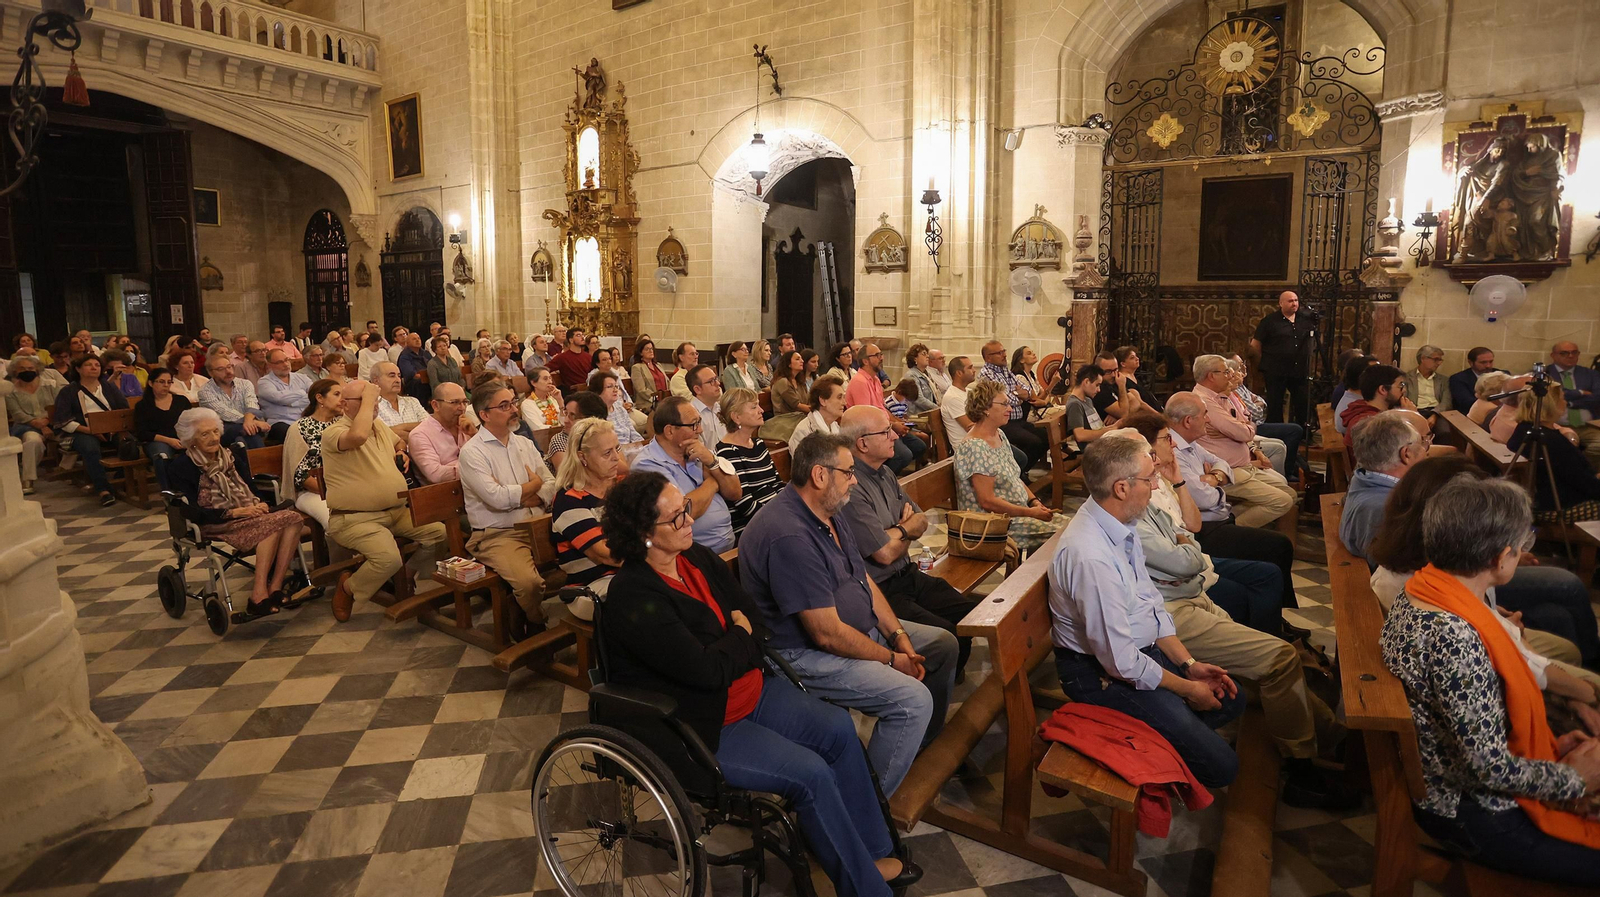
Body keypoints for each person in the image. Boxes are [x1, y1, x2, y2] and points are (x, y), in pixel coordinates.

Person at [600, 470, 918, 896]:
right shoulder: (634, 594)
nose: (689, 521)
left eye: (686, 510)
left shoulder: (695, 559)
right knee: (810, 772)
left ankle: (871, 851)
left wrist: (736, 639)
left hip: (752, 690)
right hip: (705, 724)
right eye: (675, 518)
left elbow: (755, 622)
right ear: (642, 533)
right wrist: (738, 634)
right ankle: (862, 885)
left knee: (841, 731)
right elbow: (706, 672)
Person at [1107, 429, 1351, 806]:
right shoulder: (1125, 520)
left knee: (1272, 656)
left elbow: (1189, 538)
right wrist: (1188, 553)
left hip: (1187, 594)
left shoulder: (1145, 502)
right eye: (1149, 472)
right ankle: (1302, 767)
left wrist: (1188, 552)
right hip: (1170, 613)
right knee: (1280, 658)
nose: (1158, 473)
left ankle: (1336, 738)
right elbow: (1185, 554)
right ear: (1121, 484)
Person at [1379, 477, 1600, 887]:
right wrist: (1576, 779)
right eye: (1523, 543)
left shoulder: (1423, 590)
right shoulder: (1455, 636)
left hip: (1455, 791)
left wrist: (1554, 749)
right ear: (1501, 558)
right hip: (1477, 817)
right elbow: (1486, 769)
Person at [741, 433, 957, 795]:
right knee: (913, 702)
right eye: (849, 472)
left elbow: (865, 581)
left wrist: (898, 636)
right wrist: (892, 659)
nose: (855, 480)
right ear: (820, 476)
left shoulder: (829, 511)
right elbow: (826, 634)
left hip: (855, 631)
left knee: (942, 645)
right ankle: (865, 805)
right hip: (804, 654)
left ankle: (911, 749)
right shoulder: (789, 534)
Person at [1049, 436, 1246, 788]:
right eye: (1150, 478)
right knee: (1222, 767)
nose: (1157, 485)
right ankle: (1161, 745)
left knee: (1229, 699)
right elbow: (1120, 662)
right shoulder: (1090, 555)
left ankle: (1170, 737)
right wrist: (1186, 689)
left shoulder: (1119, 523)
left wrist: (1189, 665)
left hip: (1136, 655)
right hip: (1094, 673)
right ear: (1122, 488)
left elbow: (1150, 604)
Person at [1364, 453, 1600, 674]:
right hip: (1487, 650)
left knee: (1558, 619)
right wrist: (1507, 632)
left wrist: (1496, 615)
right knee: (1567, 588)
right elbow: (1465, 651)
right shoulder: (1414, 585)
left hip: (1489, 628)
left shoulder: (1445, 558)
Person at [841, 405, 979, 669]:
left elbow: (922, 520)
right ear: (863, 443)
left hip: (909, 574)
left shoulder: (885, 472)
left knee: (970, 613)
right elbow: (883, 554)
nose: (895, 435)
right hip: (882, 591)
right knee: (947, 634)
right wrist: (905, 528)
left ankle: (950, 678)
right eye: (886, 431)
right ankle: (932, 687)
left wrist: (896, 533)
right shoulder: (852, 486)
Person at [321, 378, 448, 622]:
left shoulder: (377, 425)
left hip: (397, 511)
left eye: (375, 400)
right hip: (356, 518)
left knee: (438, 533)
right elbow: (357, 436)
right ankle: (348, 587)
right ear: (345, 405)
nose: (374, 404)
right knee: (388, 559)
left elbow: (398, 439)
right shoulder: (334, 432)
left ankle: (407, 575)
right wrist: (370, 397)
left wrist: (400, 449)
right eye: (366, 400)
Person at [1162, 393, 1300, 614]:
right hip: (1205, 530)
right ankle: (1269, 618)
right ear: (1188, 421)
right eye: (1204, 415)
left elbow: (1222, 463)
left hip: (1220, 519)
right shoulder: (1176, 452)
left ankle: (1276, 614)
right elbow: (1203, 499)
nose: (1208, 419)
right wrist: (1220, 486)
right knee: (1278, 546)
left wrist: (1214, 479)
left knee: (1278, 545)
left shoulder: (1191, 444)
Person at [167, 408, 305, 615]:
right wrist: (235, 512)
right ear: (191, 439)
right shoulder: (182, 466)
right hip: (214, 521)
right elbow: (191, 510)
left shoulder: (230, 457)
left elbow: (251, 487)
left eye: (215, 431)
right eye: (205, 434)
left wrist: (260, 503)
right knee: (273, 526)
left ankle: (275, 587)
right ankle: (258, 595)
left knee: (294, 518)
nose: (214, 438)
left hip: (249, 514)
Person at [458, 381, 558, 632]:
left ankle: (521, 605)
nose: (514, 409)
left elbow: (551, 483)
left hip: (537, 523)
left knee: (581, 560)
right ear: (484, 415)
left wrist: (534, 494)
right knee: (529, 583)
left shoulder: (522, 443)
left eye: (513, 402)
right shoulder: (473, 453)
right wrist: (532, 485)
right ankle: (535, 623)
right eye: (504, 405)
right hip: (498, 533)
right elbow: (497, 500)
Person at [955, 380, 1064, 554]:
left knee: (1070, 526)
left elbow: (1015, 477)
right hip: (992, 524)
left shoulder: (999, 434)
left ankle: (1035, 577)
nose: (1010, 408)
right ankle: (1033, 579)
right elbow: (987, 501)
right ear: (985, 408)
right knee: (1065, 532)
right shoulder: (975, 447)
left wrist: (1034, 502)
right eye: (1004, 404)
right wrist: (1029, 513)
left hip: (1015, 515)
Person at [1191, 357, 1297, 526]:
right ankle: (1227, 534)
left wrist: (1246, 432)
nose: (1230, 376)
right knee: (1282, 500)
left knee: (1290, 495)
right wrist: (1244, 428)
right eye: (1226, 372)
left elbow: (1247, 423)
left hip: (1243, 465)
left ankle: (1224, 524)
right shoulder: (1204, 401)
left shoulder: (1221, 397)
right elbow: (1243, 431)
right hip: (1227, 470)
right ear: (1211, 376)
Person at [633, 396, 740, 553]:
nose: (700, 430)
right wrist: (713, 482)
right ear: (670, 431)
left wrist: (711, 461)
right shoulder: (647, 466)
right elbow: (682, 514)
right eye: (694, 425)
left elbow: (735, 493)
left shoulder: (699, 451)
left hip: (729, 545)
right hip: (690, 555)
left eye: (699, 422)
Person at [1340, 411, 1428, 560]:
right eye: (1423, 445)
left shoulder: (1363, 477)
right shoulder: (1390, 507)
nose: (1426, 452)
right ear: (1406, 454)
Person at [549, 417, 622, 592]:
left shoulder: (622, 487)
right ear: (582, 457)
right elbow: (605, 554)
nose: (616, 458)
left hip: (631, 573)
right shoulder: (569, 499)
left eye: (617, 449)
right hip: (592, 586)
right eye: (607, 453)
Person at [1507, 388, 1600, 524]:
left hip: (1538, 498)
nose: (1565, 402)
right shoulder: (1551, 442)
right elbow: (1586, 485)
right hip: (1559, 506)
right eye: (1562, 398)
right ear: (1551, 406)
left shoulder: (1524, 429)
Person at [54, 355, 125, 506]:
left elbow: (122, 409)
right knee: (90, 448)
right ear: (78, 369)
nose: (94, 367)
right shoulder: (68, 391)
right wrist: (90, 430)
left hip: (111, 429)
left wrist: (114, 426)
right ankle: (103, 490)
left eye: (97, 365)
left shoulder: (109, 386)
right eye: (88, 365)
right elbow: (63, 420)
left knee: (129, 443)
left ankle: (121, 479)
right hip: (83, 430)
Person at [846, 344, 925, 474]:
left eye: (881, 354)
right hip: (869, 433)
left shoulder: (876, 380)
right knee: (903, 455)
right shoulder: (860, 382)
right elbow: (866, 417)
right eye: (877, 355)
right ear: (865, 361)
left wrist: (897, 421)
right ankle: (877, 479)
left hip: (884, 427)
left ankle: (886, 473)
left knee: (919, 446)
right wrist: (893, 426)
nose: (881, 358)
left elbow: (881, 407)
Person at [715, 389, 784, 536]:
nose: (761, 410)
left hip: (776, 516)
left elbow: (777, 484)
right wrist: (780, 517)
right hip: (752, 527)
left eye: (759, 405)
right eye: (754, 407)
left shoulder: (758, 443)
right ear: (736, 417)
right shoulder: (727, 452)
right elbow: (744, 504)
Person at [975, 340, 1048, 470]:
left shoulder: (1005, 371)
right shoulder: (987, 374)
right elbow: (1006, 399)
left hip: (1018, 420)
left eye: (1004, 351)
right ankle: (1015, 472)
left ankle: (1020, 472)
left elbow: (1027, 392)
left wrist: (1019, 395)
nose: (1004, 355)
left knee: (1046, 436)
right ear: (988, 357)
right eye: (999, 353)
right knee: (1034, 442)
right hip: (1004, 423)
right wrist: (1019, 396)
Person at [1249, 290, 1315, 424]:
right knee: (1275, 402)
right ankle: (1276, 431)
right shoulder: (1269, 321)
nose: (1294, 304)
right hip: (1275, 369)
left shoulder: (1304, 320)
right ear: (1281, 303)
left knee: (1302, 401)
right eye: (1290, 301)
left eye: (1296, 300)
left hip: (1298, 369)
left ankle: (1303, 432)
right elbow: (1255, 345)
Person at [284, 378, 341, 528]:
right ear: (319, 398)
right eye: (337, 394)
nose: (342, 399)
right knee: (335, 522)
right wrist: (332, 492)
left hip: (345, 486)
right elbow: (299, 475)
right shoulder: (300, 428)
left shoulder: (342, 424)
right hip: (313, 491)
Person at [135, 367, 191, 492]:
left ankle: (191, 490)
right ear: (150, 383)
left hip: (182, 438)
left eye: (169, 382)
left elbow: (191, 423)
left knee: (194, 451)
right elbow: (142, 433)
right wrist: (169, 440)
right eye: (161, 382)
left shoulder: (181, 401)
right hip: (157, 440)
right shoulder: (143, 405)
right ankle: (168, 492)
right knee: (162, 455)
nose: (166, 385)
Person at [1545, 341, 1600, 466]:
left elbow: (1597, 397)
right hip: (1556, 426)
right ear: (1553, 355)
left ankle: (1585, 472)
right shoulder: (1545, 373)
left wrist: (1570, 403)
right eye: (1564, 353)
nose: (1570, 356)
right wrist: (1580, 392)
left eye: (1574, 352)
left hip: (1587, 427)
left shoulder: (1591, 374)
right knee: (1561, 449)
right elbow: (1553, 393)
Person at [409, 382, 476, 484]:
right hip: (445, 495)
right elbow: (436, 475)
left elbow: (491, 458)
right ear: (435, 405)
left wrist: (474, 435)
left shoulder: (467, 427)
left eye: (464, 402)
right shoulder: (420, 435)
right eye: (455, 402)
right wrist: (477, 466)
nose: (462, 408)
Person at [197, 354, 268, 449]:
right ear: (210, 373)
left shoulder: (245, 384)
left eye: (229, 367)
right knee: (246, 431)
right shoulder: (205, 391)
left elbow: (252, 404)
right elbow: (225, 413)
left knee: (242, 438)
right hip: (221, 430)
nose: (228, 372)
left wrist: (249, 421)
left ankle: (250, 462)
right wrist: (255, 423)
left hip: (246, 428)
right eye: (221, 369)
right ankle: (261, 462)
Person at [4, 356, 52, 494]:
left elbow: (58, 406)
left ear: (37, 369)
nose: (27, 371)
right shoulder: (11, 391)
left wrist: (47, 421)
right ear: (15, 371)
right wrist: (41, 426)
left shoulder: (49, 384)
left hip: (53, 422)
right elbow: (18, 414)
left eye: (30, 368)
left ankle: (65, 466)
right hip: (27, 426)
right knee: (32, 441)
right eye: (22, 368)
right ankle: (28, 479)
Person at [1341, 363, 1406, 449]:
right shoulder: (1371, 422)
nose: (1404, 390)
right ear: (1383, 389)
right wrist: (1410, 416)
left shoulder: (1365, 410)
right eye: (1400, 385)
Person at [255, 349, 312, 445]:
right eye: (279, 362)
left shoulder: (302, 377)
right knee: (292, 432)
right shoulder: (264, 382)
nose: (285, 364)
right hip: (280, 423)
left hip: (304, 420)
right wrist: (302, 393)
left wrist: (290, 402)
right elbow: (279, 398)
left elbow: (315, 395)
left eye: (286, 360)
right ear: (269, 365)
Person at [545, 391, 609, 471]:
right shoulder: (560, 440)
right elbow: (569, 476)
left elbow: (623, 468)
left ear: (591, 419)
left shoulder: (604, 436)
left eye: (573, 416)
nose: (566, 420)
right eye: (566, 413)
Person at [369, 362, 428, 440]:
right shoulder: (371, 406)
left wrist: (403, 426)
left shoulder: (412, 401)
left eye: (399, 376)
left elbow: (430, 426)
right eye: (392, 376)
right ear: (376, 381)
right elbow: (379, 436)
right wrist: (416, 433)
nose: (398, 380)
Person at [1062, 363, 1110, 456]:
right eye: (1097, 385)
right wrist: (1108, 431)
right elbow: (1080, 435)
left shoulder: (1087, 400)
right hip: (1094, 452)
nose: (1099, 390)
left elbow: (1097, 427)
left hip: (1102, 444)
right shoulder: (1075, 404)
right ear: (1086, 382)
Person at [588, 369, 644, 447]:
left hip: (630, 450)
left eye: (616, 386)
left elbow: (633, 433)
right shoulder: (593, 413)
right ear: (598, 391)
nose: (615, 390)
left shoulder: (619, 408)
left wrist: (642, 447)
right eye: (610, 386)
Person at [1448, 346, 1508, 414]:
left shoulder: (1502, 375)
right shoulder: (1458, 379)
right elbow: (1467, 402)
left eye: (1491, 361)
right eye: (1483, 362)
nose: (1488, 366)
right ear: (1471, 363)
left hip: (1502, 412)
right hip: (1471, 415)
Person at [789, 377, 845, 449]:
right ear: (823, 401)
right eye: (839, 397)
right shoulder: (803, 432)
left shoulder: (835, 426)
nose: (844, 402)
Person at [1404, 344, 1451, 419]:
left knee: (1445, 430)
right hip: (1415, 412)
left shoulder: (1443, 380)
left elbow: (1446, 402)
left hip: (1437, 412)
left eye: (1440, 360)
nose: (1439, 363)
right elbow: (1404, 399)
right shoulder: (1407, 378)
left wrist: (1435, 415)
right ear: (1423, 359)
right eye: (1436, 359)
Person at [686, 364, 727, 450]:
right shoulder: (690, 416)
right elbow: (698, 452)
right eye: (711, 381)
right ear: (697, 389)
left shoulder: (722, 408)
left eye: (716, 379)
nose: (718, 384)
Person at [938, 355, 975, 445]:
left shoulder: (969, 392)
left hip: (979, 442)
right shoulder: (952, 397)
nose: (974, 370)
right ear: (959, 373)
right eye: (970, 368)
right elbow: (970, 427)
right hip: (967, 447)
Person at [520, 368, 564, 440]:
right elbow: (538, 428)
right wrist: (559, 429)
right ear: (533, 383)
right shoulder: (527, 404)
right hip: (543, 440)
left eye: (550, 378)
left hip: (561, 437)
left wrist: (560, 401)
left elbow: (565, 422)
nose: (550, 382)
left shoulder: (553, 398)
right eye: (545, 379)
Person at [1010, 346, 1050, 421]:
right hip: (1029, 412)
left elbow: (1045, 394)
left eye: (1032, 352)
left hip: (1039, 409)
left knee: (1064, 411)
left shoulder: (1031, 374)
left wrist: (1044, 402)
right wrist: (1053, 383)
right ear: (1021, 360)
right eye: (1029, 353)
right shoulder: (1019, 376)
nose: (1034, 354)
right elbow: (1035, 400)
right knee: (1064, 411)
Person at [548, 328, 593, 393]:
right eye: (578, 335)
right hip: (572, 393)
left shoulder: (588, 357)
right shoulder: (562, 357)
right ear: (571, 340)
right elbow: (545, 369)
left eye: (582, 335)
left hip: (588, 391)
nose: (582, 337)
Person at [629, 338, 668, 412]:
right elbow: (641, 389)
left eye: (651, 349)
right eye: (647, 349)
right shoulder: (637, 367)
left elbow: (667, 382)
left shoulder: (658, 365)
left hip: (664, 400)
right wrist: (656, 397)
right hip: (648, 402)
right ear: (641, 353)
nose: (650, 351)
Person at [770, 350, 810, 415]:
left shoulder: (800, 381)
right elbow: (796, 405)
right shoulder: (782, 382)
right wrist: (817, 410)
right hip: (786, 419)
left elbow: (808, 400)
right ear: (789, 364)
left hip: (801, 416)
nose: (802, 361)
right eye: (797, 359)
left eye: (801, 358)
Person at [903, 344, 940, 413]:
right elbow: (918, 399)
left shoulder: (927, 374)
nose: (927, 356)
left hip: (930, 412)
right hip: (918, 415)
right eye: (924, 354)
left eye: (927, 354)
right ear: (915, 358)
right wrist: (937, 408)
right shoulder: (911, 376)